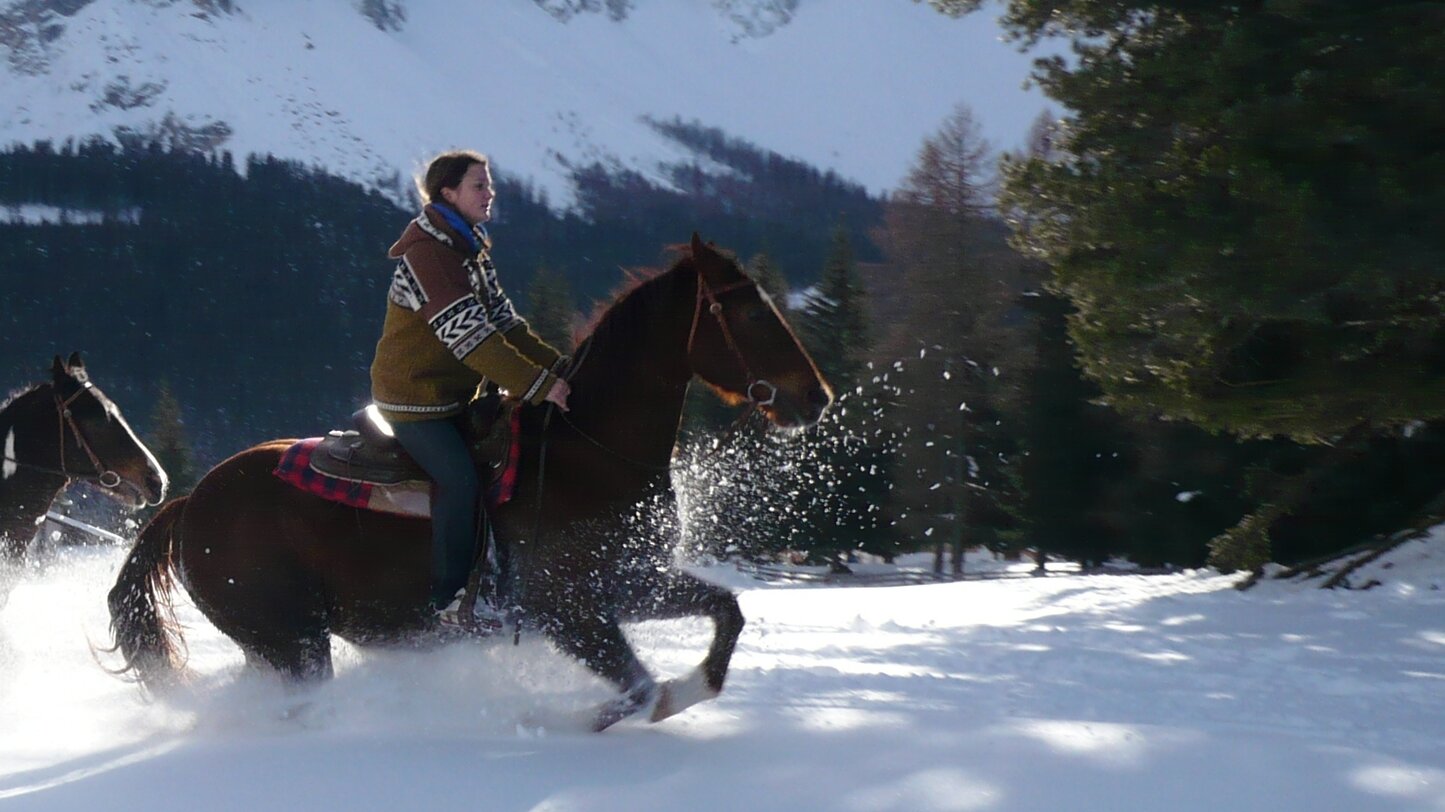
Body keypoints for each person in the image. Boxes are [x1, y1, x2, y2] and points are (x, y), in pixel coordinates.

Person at [369, 149, 570, 631]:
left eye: (489, 184)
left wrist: (566, 370)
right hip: (415, 402)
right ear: (448, 193)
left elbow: (506, 326)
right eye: (479, 185)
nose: (490, 193)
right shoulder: (430, 258)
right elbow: (473, 341)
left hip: (455, 398)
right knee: (459, 480)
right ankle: (450, 602)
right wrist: (541, 385)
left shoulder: (468, 248)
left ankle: (505, 579)